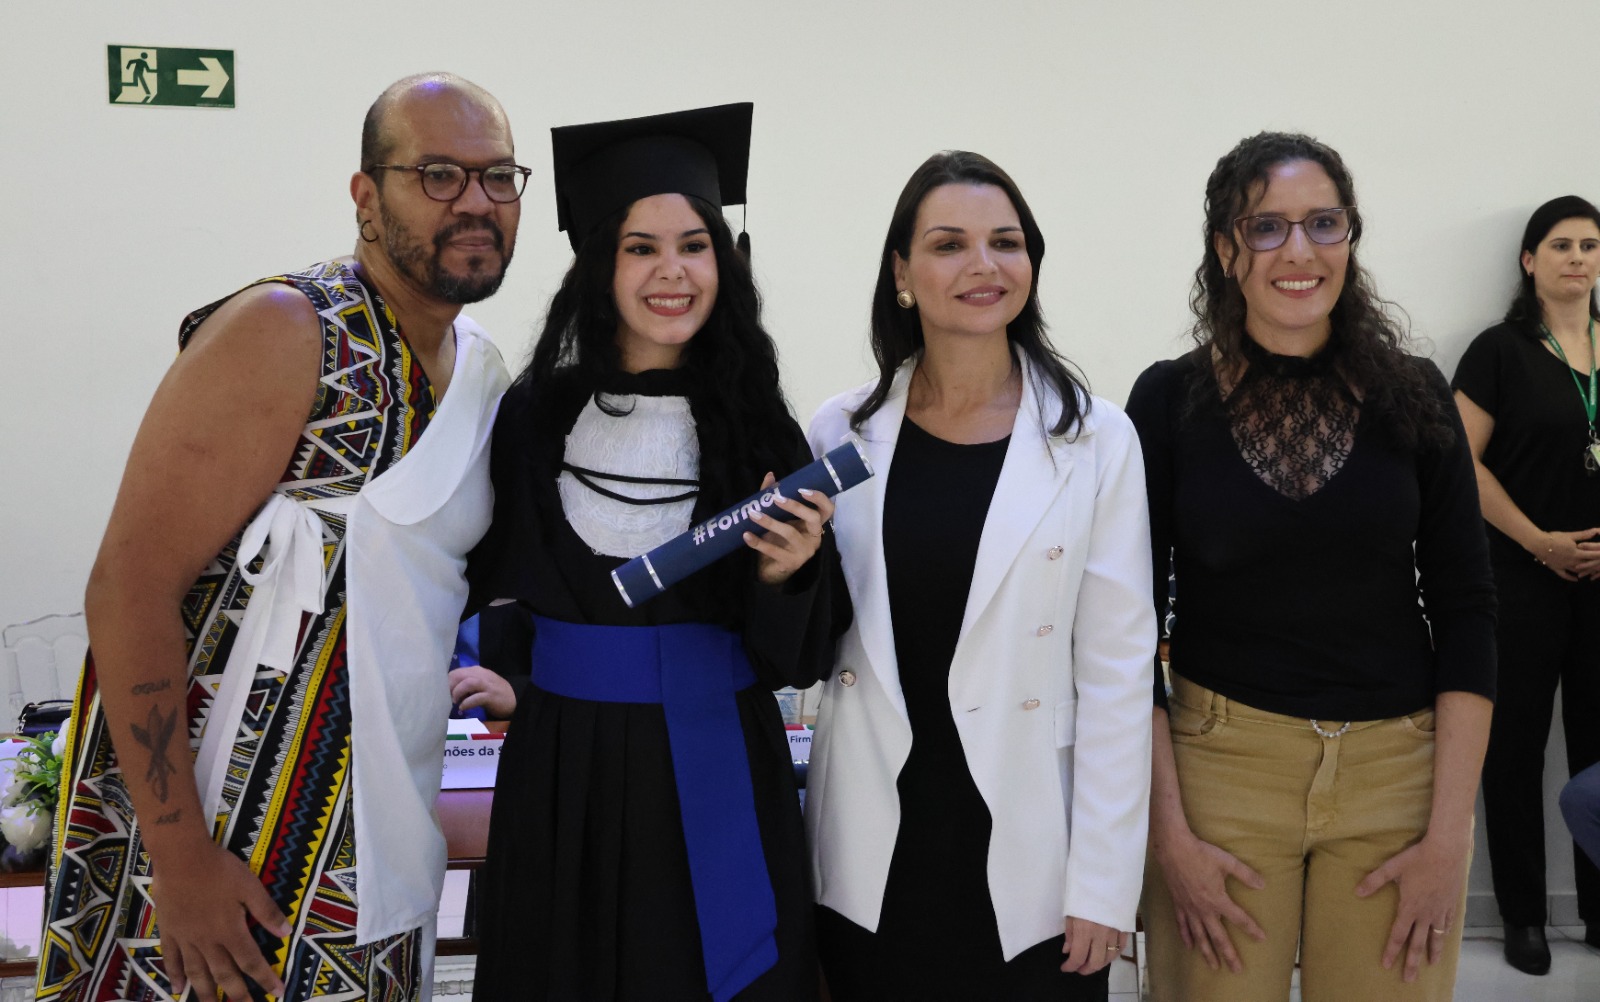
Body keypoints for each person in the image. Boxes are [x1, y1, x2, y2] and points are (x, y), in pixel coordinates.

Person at [35, 72, 523, 1002]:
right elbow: (128, 588)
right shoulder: (289, 329)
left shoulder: (481, 373)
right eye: (438, 174)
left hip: (381, 828)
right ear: (366, 195)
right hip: (231, 837)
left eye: (498, 176)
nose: (475, 202)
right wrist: (181, 860)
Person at [463, 103, 837, 1002]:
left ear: (723, 262)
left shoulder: (759, 423)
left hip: (718, 759)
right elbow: (494, 579)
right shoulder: (533, 417)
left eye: (694, 246)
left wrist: (786, 574)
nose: (673, 271)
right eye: (641, 248)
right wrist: (516, 677)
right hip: (565, 769)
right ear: (600, 265)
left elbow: (803, 655)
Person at [1128, 131, 1497, 1002]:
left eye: (1323, 223)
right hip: (1220, 774)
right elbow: (1125, 629)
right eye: (1266, 227)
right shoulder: (1168, 401)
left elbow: (1468, 608)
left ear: (1350, 236)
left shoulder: (1416, 392)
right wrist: (1167, 835)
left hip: (1396, 779)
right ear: (1225, 249)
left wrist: (1450, 838)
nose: (1299, 251)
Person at [805, 150, 1154, 1001]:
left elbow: (1118, 672)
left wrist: (1104, 884)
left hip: (1032, 843)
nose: (983, 265)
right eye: (949, 244)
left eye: (1005, 242)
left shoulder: (1097, 439)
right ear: (901, 273)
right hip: (874, 835)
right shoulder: (838, 433)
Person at [1453, 194, 1600, 972]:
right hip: (1519, 576)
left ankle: (1599, 911)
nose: (1578, 258)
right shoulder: (1499, 351)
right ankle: (1523, 917)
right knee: (1513, 749)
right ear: (1529, 259)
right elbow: (1461, 464)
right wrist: (1540, 542)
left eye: (1590, 246)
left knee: (1598, 751)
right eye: (1562, 245)